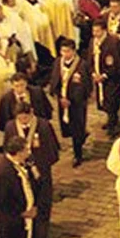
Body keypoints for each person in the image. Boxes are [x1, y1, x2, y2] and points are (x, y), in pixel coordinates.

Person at [49, 37, 91, 166]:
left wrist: (74, 99)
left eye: (67, 51)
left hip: (77, 103)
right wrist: (58, 95)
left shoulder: (82, 65)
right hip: (62, 100)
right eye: (62, 51)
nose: (65, 54)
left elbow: (86, 85)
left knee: (77, 127)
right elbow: (55, 79)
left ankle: (78, 154)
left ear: (73, 51)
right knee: (67, 127)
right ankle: (80, 137)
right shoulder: (58, 63)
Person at [89, 17, 120, 135]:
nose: (95, 34)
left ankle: (113, 125)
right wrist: (93, 73)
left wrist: (105, 75)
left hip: (111, 78)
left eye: (98, 31)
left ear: (104, 30)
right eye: (94, 31)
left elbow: (116, 62)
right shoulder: (93, 41)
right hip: (97, 75)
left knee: (111, 101)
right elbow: (90, 59)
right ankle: (110, 120)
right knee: (103, 101)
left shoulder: (112, 43)